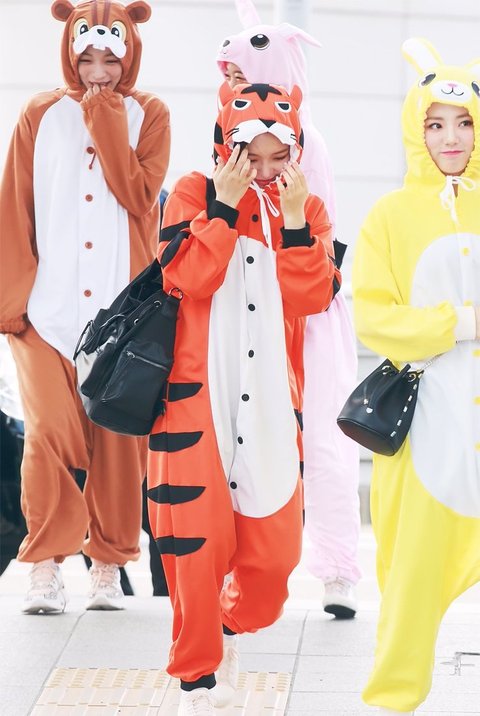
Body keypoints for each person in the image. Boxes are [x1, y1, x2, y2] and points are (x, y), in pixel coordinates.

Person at [147, 81, 341, 715]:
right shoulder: (191, 193)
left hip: (271, 410)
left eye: (277, 158)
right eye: (248, 157)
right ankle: (197, 678)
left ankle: (228, 627)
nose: (263, 171)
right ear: (224, 147)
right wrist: (224, 209)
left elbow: (312, 298)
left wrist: (293, 222)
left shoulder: (307, 209)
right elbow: (187, 278)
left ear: (296, 153)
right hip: (195, 401)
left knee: (274, 562)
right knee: (194, 551)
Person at [0, 0, 170, 614]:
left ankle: (108, 564)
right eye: (88, 57)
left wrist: (106, 118)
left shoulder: (149, 114)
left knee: (118, 443)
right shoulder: (39, 113)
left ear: (130, 55)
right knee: (48, 434)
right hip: (45, 313)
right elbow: (15, 205)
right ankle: (45, 564)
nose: (99, 70)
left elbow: (140, 195)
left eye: (111, 59)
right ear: (70, 52)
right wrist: (11, 303)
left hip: (120, 318)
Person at [217, 0, 361, 618]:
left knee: (324, 438)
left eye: (241, 72)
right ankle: (239, 569)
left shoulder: (307, 139)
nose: (232, 83)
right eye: (228, 74)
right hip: (250, 309)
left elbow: (314, 231)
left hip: (310, 306)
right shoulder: (227, 135)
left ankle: (338, 572)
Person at [352, 38, 480, 714]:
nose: (450, 138)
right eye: (434, 123)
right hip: (426, 433)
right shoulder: (390, 217)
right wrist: (456, 324)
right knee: (410, 583)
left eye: (463, 122)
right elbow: (373, 317)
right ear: (414, 128)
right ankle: (392, 703)